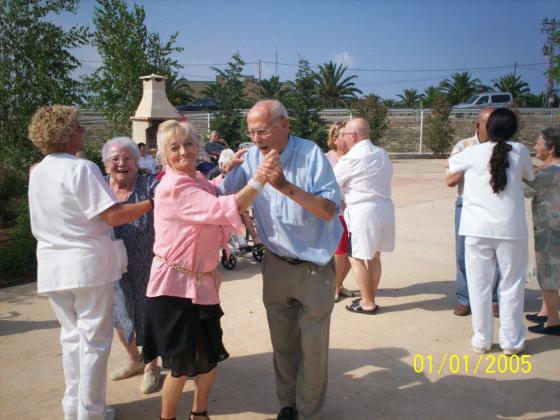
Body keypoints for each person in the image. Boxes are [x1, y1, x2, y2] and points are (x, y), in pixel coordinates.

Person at [27, 105, 154, 420]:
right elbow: (112, 215)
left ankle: (73, 407)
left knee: (71, 339)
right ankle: (91, 412)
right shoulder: (81, 169)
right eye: (78, 127)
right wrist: (151, 203)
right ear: (65, 134)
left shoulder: (38, 171)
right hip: (87, 267)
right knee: (94, 343)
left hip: (53, 268)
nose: (83, 131)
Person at [219, 100, 342, 420]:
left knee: (313, 347)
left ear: (284, 124)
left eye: (261, 131)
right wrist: (227, 170)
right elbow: (223, 196)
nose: (255, 138)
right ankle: (288, 404)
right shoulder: (250, 159)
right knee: (283, 343)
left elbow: (329, 210)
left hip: (314, 267)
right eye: (251, 132)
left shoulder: (310, 154)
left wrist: (283, 185)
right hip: (275, 264)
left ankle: (309, 411)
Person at [142, 120, 273, 420]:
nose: (183, 151)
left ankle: (199, 414)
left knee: (209, 359)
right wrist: (259, 179)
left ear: (198, 145)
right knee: (181, 366)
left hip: (201, 285)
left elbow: (212, 191)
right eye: (174, 147)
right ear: (163, 154)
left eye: (188, 144)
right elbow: (221, 207)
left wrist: (229, 172)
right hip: (174, 289)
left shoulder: (196, 177)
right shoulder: (174, 187)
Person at [448, 108, 534, 355]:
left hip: (476, 228)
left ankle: (482, 340)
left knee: (479, 286)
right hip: (511, 229)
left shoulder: (471, 151)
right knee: (512, 285)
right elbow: (528, 175)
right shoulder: (520, 150)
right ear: (514, 129)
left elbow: (450, 169)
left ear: (488, 128)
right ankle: (512, 342)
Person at [102, 137, 161, 393]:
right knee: (118, 313)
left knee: (149, 315)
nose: (121, 163)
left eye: (127, 158)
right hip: (110, 264)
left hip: (147, 260)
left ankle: (151, 366)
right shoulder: (99, 188)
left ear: (137, 163)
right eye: (115, 159)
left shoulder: (149, 185)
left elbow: (170, 194)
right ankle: (134, 360)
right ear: (106, 164)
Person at [334, 118, 395, 314]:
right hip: (385, 209)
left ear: (353, 136)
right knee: (375, 257)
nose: (342, 138)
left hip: (363, 211)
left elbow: (332, 182)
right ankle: (370, 297)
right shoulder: (382, 153)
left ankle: (367, 303)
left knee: (356, 258)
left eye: (344, 135)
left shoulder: (351, 158)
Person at [446, 108, 500, 317]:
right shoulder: (464, 146)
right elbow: (450, 180)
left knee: (496, 254)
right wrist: (471, 161)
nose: (494, 128)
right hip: (466, 204)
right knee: (463, 254)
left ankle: (494, 299)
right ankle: (465, 298)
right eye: (489, 123)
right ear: (478, 125)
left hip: (495, 206)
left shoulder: (504, 147)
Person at [524, 127, 560, 335]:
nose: (535, 146)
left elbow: (525, 188)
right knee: (550, 274)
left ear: (551, 148)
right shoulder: (552, 170)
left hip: (550, 232)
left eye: (539, 143)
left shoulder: (549, 173)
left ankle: (553, 321)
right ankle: (546, 312)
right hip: (552, 229)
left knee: (548, 276)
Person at [325, 121, 358, 302]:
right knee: (340, 252)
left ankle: (338, 285)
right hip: (335, 212)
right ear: (334, 139)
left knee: (353, 253)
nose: (346, 139)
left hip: (355, 211)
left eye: (348, 135)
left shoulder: (356, 157)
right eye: (342, 135)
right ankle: (334, 287)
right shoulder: (326, 158)